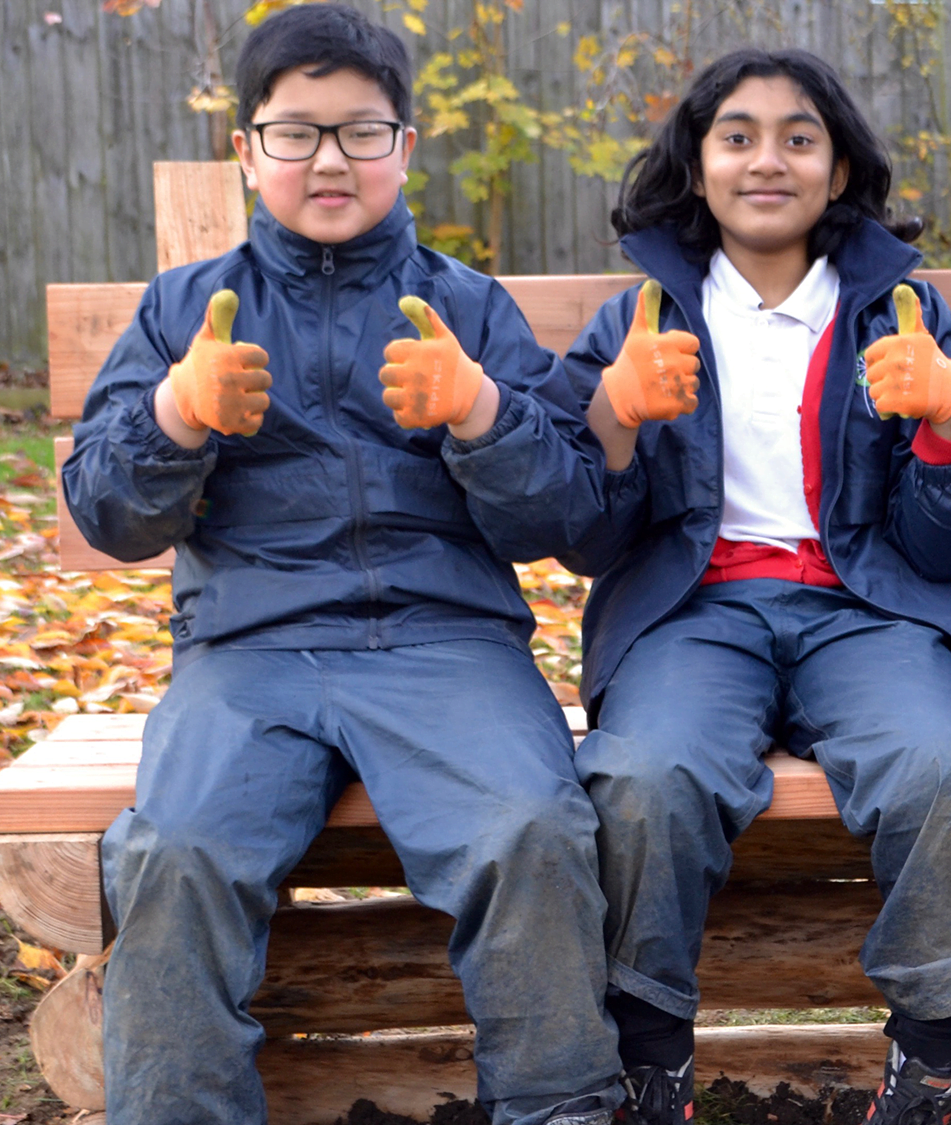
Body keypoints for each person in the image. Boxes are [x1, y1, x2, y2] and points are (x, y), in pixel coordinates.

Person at [60, 6, 624, 1123]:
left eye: (361, 132)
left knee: (532, 831)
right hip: (248, 652)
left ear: (405, 148)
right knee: (174, 854)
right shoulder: (186, 311)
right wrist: (176, 416)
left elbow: (566, 516)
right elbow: (110, 516)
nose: (328, 159)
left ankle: (558, 1109)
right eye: (295, 132)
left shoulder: (464, 307)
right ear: (247, 151)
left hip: (445, 645)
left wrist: (481, 413)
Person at [559, 47, 951, 1125]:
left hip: (866, 606)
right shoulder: (645, 313)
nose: (767, 160)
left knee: (950, 768)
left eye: (798, 138)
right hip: (693, 609)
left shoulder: (894, 309)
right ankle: (650, 1057)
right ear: (699, 163)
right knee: (641, 776)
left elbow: (942, 536)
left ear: (839, 171)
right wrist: (613, 415)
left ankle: (931, 1055)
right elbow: (580, 527)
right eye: (737, 136)